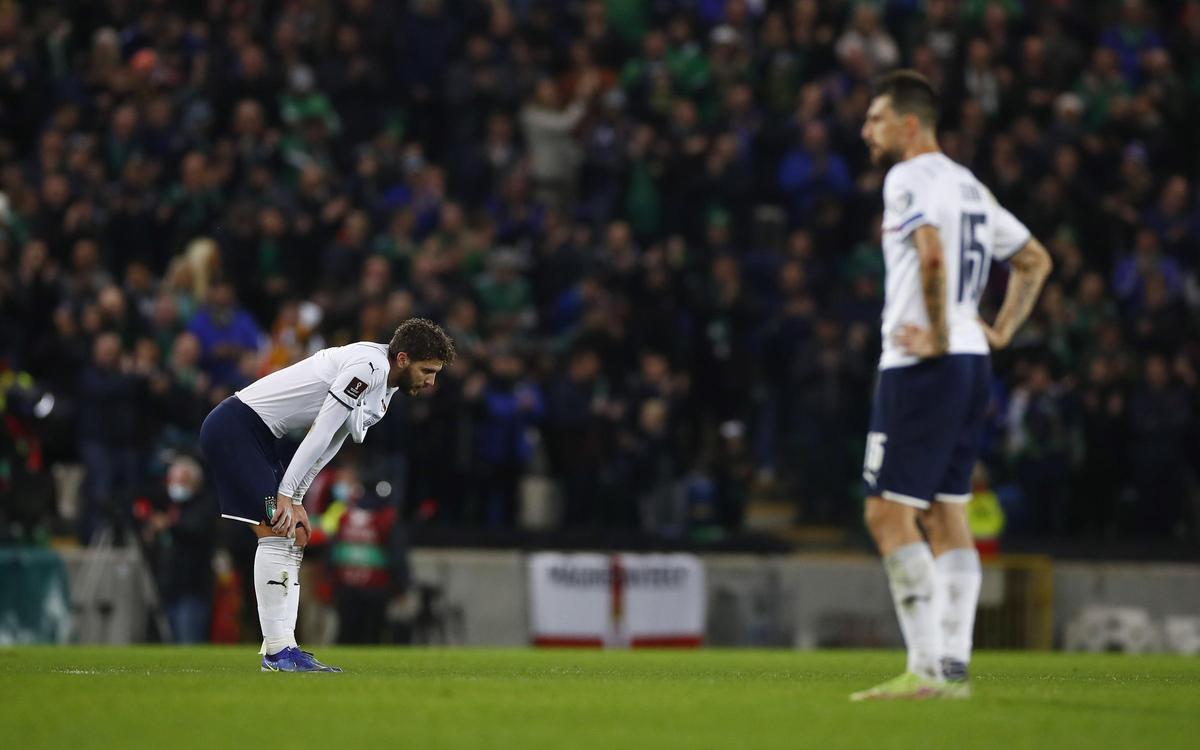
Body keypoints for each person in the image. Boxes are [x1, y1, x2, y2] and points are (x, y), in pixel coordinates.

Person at [852, 71, 1052, 700]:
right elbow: (1034, 261)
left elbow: (932, 255)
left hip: (925, 365)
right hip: (972, 365)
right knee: (947, 514)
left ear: (910, 125)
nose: (867, 131)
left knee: (886, 514)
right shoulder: (968, 185)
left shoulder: (906, 177)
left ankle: (927, 669)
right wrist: (997, 330)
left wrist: (937, 335)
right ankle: (955, 670)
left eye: (877, 118)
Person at [198, 318, 454, 671]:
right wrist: (287, 493)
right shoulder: (367, 367)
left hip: (260, 438)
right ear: (403, 358)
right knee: (276, 530)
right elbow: (321, 431)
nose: (431, 381)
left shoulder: (385, 387)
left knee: (295, 535)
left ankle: (285, 647)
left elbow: (333, 442)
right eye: (428, 370)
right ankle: (276, 652)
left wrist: (298, 496)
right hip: (235, 428)